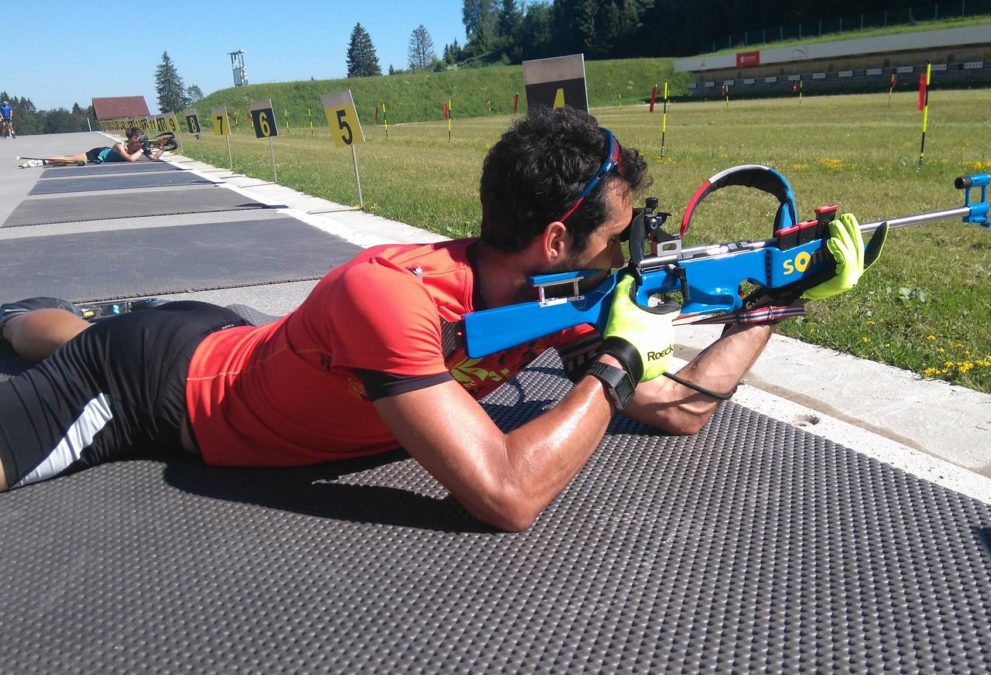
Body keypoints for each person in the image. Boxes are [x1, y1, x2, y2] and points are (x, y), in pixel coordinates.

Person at [0, 108, 883, 531]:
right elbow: (506, 494)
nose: (627, 257)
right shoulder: (389, 297)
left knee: (80, 325)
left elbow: (678, 409)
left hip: (225, 334)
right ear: (553, 238)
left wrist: (773, 300)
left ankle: (52, 315)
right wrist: (615, 361)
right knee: (74, 351)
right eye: (617, 238)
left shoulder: (551, 294)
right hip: (154, 390)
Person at [28, 127, 164, 166]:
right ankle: (43, 161)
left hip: (102, 154)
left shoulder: (139, 148)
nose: (142, 144)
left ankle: (51, 162)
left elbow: (153, 158)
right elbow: (131, 159)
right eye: (140, 142)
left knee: (66, 163)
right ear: (133, 140)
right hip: (97, 154)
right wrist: (141, 149)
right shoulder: (119, 146)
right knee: (72, 159)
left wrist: (163, 149)